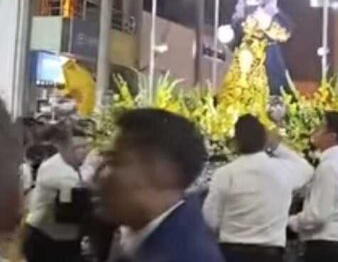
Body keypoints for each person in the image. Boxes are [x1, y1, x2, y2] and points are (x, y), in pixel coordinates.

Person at [94, 109, 224, 262]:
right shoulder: (141, 238)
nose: (98, 174)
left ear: (161, 173)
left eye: (115, 162)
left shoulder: (184, 255)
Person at [203, 114, 313, 262]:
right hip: (270, 253)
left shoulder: (225, 174)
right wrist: (276, 146)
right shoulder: (283, 170)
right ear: (264, 140)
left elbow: (210, 220)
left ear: (235, 143)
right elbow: (307, 169)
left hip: (231, 252)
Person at [288, 111, 338, 262]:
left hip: (327, 248)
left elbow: (317, 216)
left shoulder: (330, 166)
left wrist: (289, 222)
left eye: (320, 128)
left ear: (332, 136)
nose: (315, 131)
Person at [22, 123, 90, 262]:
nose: (82, 151)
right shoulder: (57, 169)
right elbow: (72, 199)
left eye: (85, 146)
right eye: (76, 147)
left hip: (65, 238)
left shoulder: (77, 167)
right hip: (46, 237)